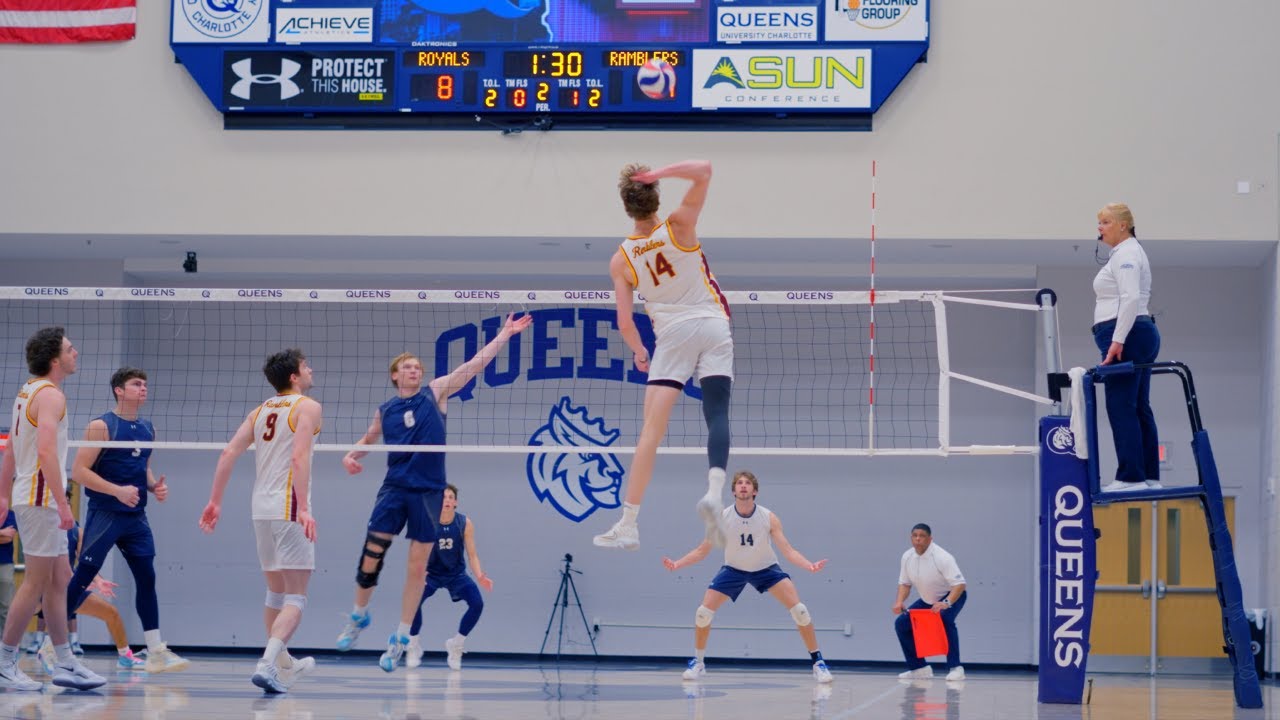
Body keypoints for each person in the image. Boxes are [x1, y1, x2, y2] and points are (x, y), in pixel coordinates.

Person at [335, 312, 531, 673]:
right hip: (395, 487)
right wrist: (350, 455)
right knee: (371, 553)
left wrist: (505, 334)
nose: (414, 371)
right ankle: (358, 616)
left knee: (416, 568)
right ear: (395, 374)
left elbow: (474, 366)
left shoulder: (435, 392)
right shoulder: (386, 410)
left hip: (428, 491)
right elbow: (368, 439)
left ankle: (400, 638)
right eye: (407, 367)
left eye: (417, 367)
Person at [595, 159, 734, 551]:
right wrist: (659, 173)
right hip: (714, 325)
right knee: (717, 413)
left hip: (672, 335)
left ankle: (629, 522)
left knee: (650, 433)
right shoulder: (679, 225)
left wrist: (640, 351)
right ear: (655, 195)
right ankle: (714, 490)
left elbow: (625, 323)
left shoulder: (621, 259)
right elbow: (705, 168)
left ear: (625, 206)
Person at [200, 348, 322, 694]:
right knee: (297, 597)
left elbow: (228, 453)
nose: (310, 369)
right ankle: (267, 663)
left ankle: (284, 662)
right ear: (294, 377)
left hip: (261, 510)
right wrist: (303, 508)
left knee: (275, 591)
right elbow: (299, 457)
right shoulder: (308, 407)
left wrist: (214, 501)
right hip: (289, 507)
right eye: (305, 366)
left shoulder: (260, 411)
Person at [0, 326, 105, 691]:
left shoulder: (26, 392)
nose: (76, 353)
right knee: (36, 582)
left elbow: (12, 449)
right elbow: (45, 451)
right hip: (41, 500)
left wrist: (2, 495)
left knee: (60, 580)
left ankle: (65, 663)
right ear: (54, 359)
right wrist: (63, 505)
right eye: (70, 349)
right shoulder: (51, 396)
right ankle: (5, 661)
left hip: (29, 496)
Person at [67, 367, 188, 672]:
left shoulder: (148, 428)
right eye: (136, 384)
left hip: (136, 517)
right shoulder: (100, 426)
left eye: (145, 384)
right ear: (119, 390)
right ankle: (51, 647)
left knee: (147, 578)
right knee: (82, 578)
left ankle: (156, 650)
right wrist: (116, 491)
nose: (143, 389)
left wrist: (154, 486)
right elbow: (80, 472)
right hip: (106, 513)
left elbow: (141, 467)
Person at [662, 470, 833, 683]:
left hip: (766, 569)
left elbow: (788, 550)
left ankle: (818, 663)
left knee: (800, 611)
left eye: (747, 483)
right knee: (703, 613)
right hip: (733, 569)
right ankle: (698, 662)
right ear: (733, 490)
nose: (743, 486)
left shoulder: (768, 517)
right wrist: (677, 564)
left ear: (755, 491)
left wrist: (809, 565)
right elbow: (701, 551)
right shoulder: (722, 517)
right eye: (739, 483)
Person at [1093, 202, 1161, 492]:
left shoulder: (1128, 253)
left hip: (1129, 336)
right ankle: (1148, 476)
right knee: (1138, 406)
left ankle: (1131, 476)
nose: (1100, 228)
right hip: (1138, 334)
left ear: (1123, 225)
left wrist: (1117, 340)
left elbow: (1130, 298)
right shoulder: (1125, 253)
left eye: (1106, 222)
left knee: (1121, 406)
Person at [404, 483, 492, 671]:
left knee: (477, 604)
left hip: (456, 574)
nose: (447, 500)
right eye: (443, 497)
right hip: (431, 573)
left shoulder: (464, 523)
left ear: (456, 503)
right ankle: (413, 644)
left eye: (450, 497)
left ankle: (456, 644)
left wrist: (480, 576)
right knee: (414, 601)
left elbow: (472, 554)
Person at [892, 523, 967, 681]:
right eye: (915, 536)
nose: (918, 539)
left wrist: (946, 602)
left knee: (945, 618)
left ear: (930, 539)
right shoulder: (907, 557)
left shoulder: (942, 557)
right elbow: (905, 584)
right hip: (928, 600)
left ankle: (956, 668)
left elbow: (959, 585)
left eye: (922, 536)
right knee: (901, 624)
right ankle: (919, 668)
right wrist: (899, 601)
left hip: (953, 595)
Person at [0, 511, 14, 632]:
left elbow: (8, 538)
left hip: (4, 563)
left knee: (6, 605)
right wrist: (1, 532)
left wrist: (4, 534)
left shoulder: (9, 514)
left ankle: (5, 644)